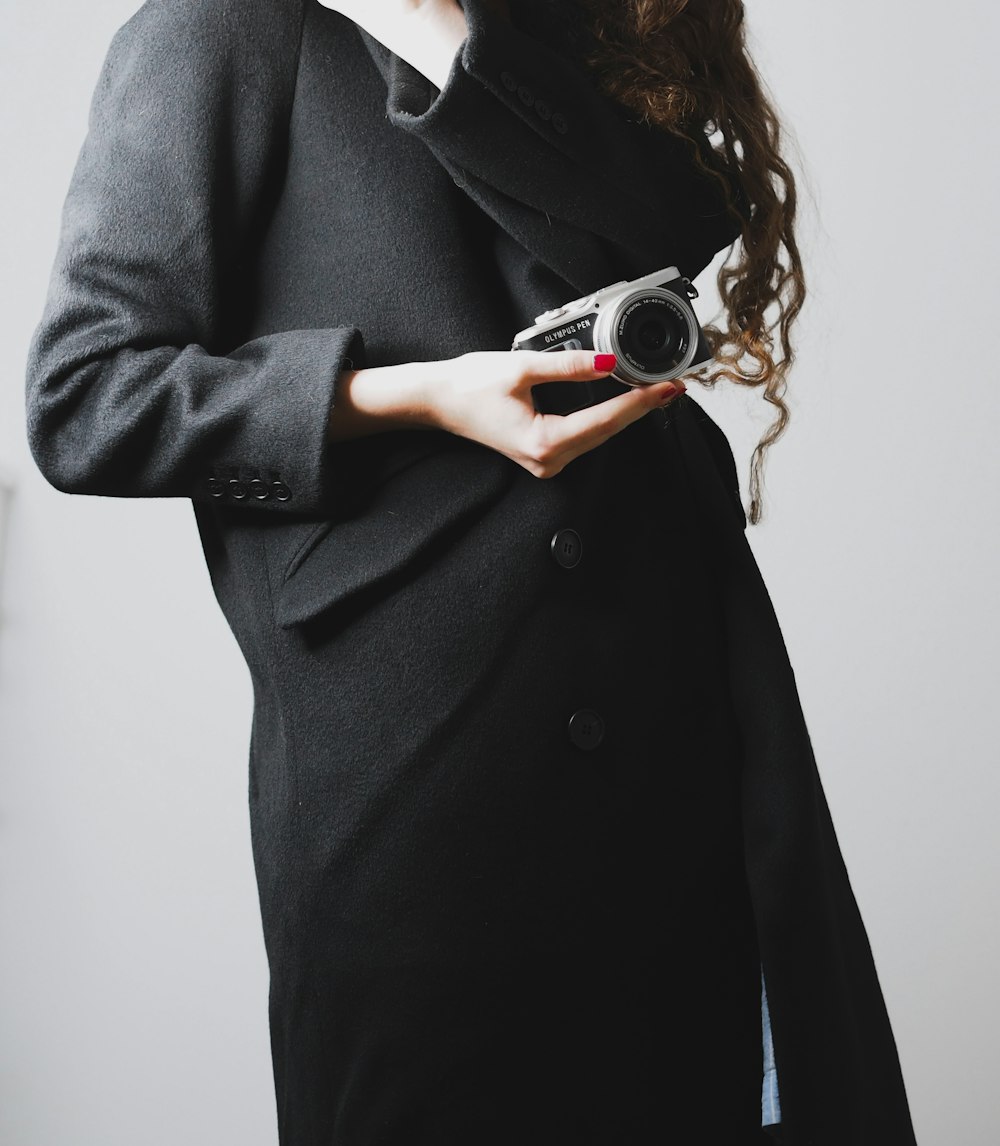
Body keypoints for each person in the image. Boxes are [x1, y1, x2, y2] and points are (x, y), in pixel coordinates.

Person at [24, 1, 919, 1143]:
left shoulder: (551, 26)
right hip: (414, 752)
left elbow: (671, 221)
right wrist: (401, 394)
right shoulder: (223, 26)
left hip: (667, 705)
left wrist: (432, 30)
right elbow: (85, 399)